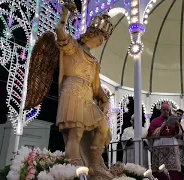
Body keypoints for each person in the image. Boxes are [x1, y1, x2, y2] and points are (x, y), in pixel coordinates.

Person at [25, 2, 115, 179]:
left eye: (103, 41)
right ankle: (74, 166)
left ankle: (96, 165)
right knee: (76, 132)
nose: (101, 43)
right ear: (93, 34)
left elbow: (96, 88)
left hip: (88, 98)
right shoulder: (72, 47)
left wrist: (105, 100)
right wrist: (66, 13)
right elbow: (59, 30)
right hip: (72, 92)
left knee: (103, 127)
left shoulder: (95, 62)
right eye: (101, 39)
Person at [147, 103, 183, 180]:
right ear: (161, 110)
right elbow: (150, 133)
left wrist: (177, 125)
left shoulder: (172, 119)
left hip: (172, 146)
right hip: (160, 144)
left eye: (167, 110)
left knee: (173, 169)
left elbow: (179, 135)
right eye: (164, 110)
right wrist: (161, 127)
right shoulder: (155, 121)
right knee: (160, 168)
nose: (166, 111)